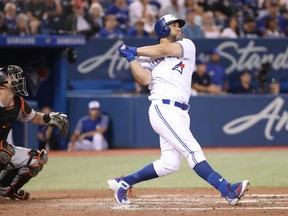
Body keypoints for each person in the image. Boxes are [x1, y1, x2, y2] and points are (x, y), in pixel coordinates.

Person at [107, 14, 249, 206]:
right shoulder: (148, 57)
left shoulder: (187, 45)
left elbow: (164, 49)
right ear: (163, 29)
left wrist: (135, 50)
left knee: (169, 164)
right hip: (163, 108)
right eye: (173, 25)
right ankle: (227, 190)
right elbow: (144, 79)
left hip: (181, 112)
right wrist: (131, 58)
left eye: (178, 25)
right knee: (193, 151)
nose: (178, 28)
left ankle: (123, 183)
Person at [0, 65, 68, 200]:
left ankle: (5, 190)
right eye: (13, 77)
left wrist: (51, 118)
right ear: (2, 82)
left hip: (2, 148)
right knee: (4, 153)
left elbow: (35, 117)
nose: (18, 79)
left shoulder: (18, 103)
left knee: (39, 158)